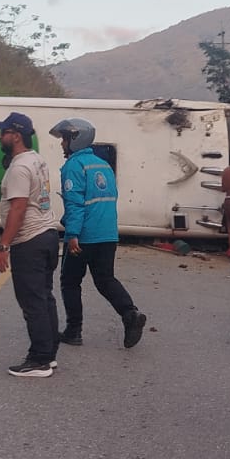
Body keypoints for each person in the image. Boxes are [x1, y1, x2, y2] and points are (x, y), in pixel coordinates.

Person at [50, 116, 145, 350]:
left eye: (64, 139)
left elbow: (75, 203)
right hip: (108, 234)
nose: (62, 144)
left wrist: (72, 234)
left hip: (84, 236)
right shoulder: (103, 165)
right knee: (105, 279)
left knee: (70, 282)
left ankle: (74, 330)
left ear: (75, 139)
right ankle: (130, 313)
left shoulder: (73, 166)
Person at [0, 111, 59, 377]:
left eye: (4, 132)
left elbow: (18, 209)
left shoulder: (19, 167)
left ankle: (40, 359)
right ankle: (49, 352)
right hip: (48, 234)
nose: (0, 137)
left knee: (32, 301)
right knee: (45, 297)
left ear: (16, 136)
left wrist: (4, 246)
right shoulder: (37, 160)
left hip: (30, 239)